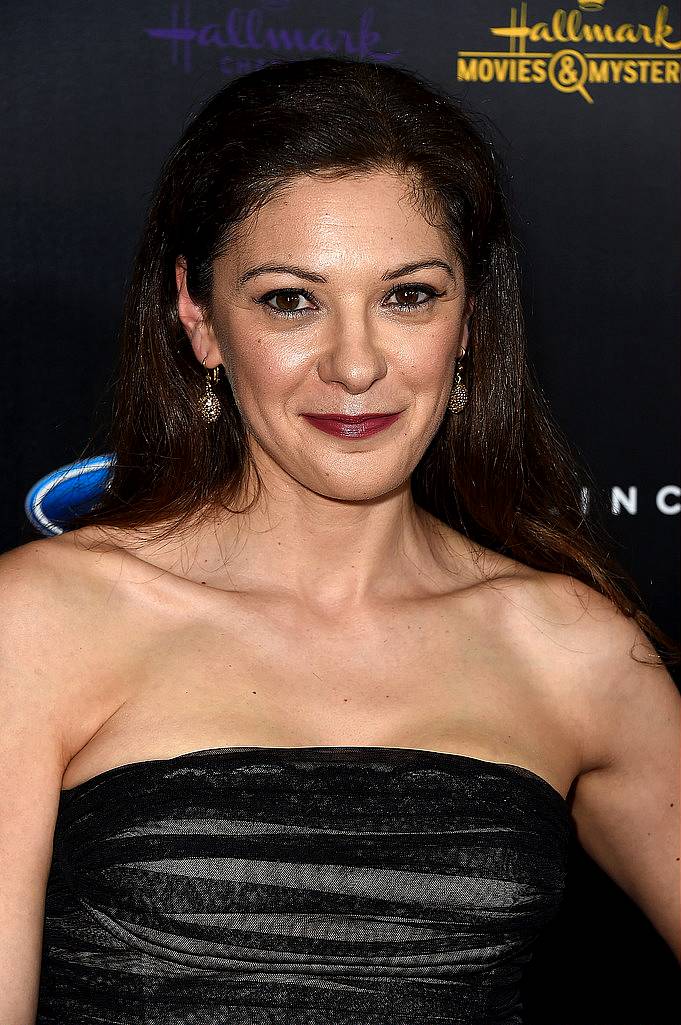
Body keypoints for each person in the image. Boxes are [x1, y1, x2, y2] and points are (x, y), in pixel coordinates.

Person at [1, 55, 679, 1025]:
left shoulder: (570, 647)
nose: (356, 363)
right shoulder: (42, 620)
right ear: (198, 316)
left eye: (409, 295)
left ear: (470, 317)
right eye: (290, 299)